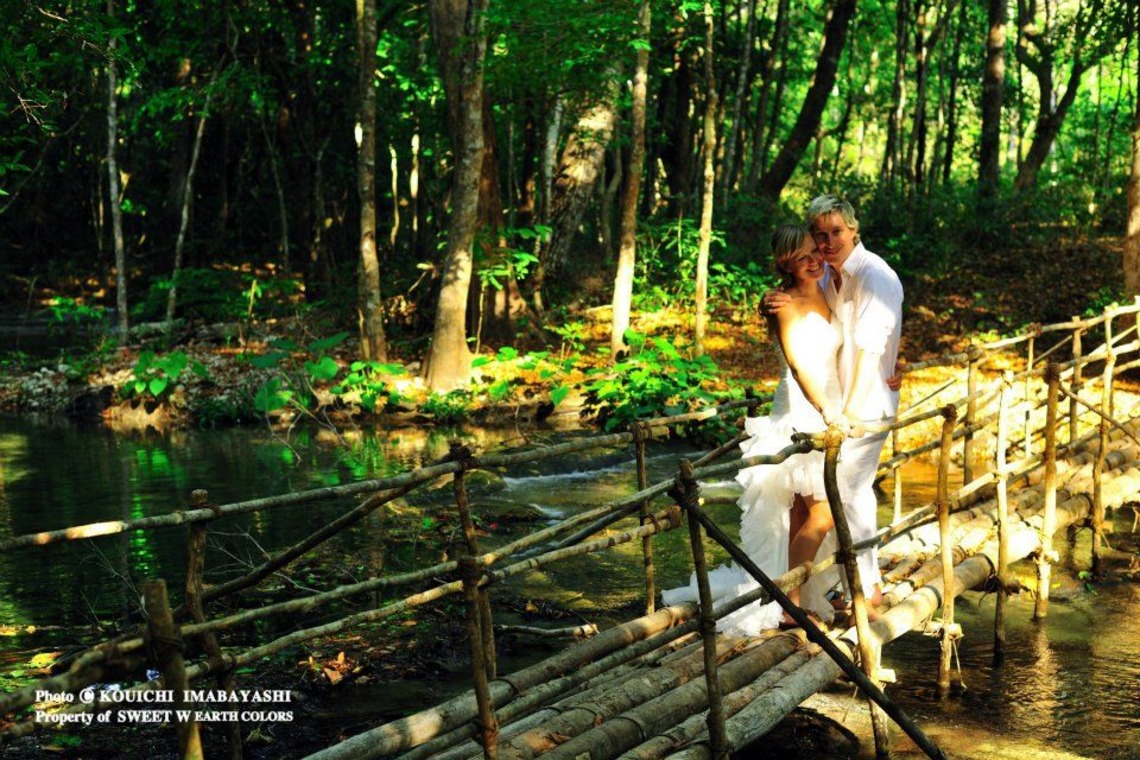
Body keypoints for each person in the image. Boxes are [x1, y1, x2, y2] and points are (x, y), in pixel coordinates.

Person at [662, 224, 843, 634]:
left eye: (816, 251)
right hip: (801, 412)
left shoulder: (828, 287)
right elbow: (798, 367)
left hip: (827, 406)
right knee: (822, 512)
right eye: (803, 258)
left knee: (802, 515)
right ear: (785, 264)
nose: (815, 260)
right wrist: (828, 410)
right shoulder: (785, 304)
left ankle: (790, 600)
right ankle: (790, 607)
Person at [765, 194, 904, 611]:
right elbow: (801, 326)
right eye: (819, 236)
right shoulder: (828, 277)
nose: (826, 244)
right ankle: (828, 590)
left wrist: (852, 410)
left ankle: (863, 585)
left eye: (836, 233)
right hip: (827, 405)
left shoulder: (873, 276)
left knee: (847, 495)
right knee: (817, 503)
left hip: (860, 406)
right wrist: (770, 303)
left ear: (854, 229)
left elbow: (870, 348)